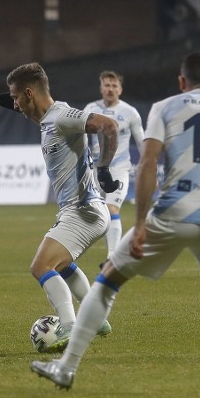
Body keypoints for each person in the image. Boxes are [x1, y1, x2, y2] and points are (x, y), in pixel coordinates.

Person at [30, 51, 200, 398]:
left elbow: (147, 163)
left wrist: (141, 221)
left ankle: (66, 368)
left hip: (173, 212)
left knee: (110, 276)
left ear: (181, 81)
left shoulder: (165, 107)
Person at [3, 62, 121, 353]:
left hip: (84, 210)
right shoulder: (47, 121)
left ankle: (69, 327)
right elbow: (37, 113)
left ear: (30, 93)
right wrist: (20, 105)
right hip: (83, 210)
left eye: (16, 97)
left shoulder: (61, 116)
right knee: (63, 264)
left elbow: (108, 126)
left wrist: (104, 168)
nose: (15, 105)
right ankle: (99, 319)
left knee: (41, 266)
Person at [85, 70, 144, 262]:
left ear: (120, 89)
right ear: (101, 88)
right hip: (95, 170)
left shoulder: (130, 112)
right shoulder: (90, 109)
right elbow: (81, 138)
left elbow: (142, 143)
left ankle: (112, 256)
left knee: (112, 209)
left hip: (119, 169)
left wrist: (147, 167)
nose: (110, 89)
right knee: (94, 214)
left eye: (114, 86)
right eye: (107, 85)